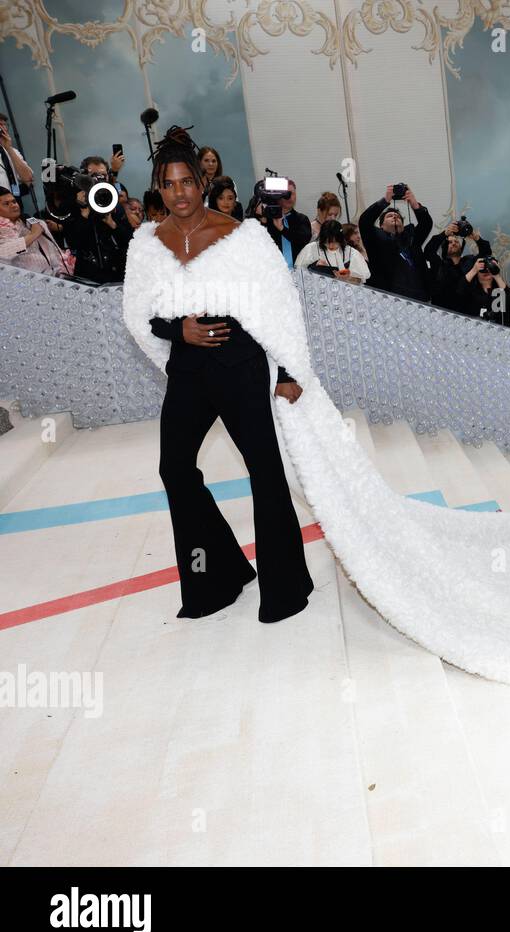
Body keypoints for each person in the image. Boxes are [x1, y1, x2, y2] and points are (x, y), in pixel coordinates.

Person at [129, 126, 312, 623]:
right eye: (168, 185)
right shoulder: (146, 244)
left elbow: (281, 304)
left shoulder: (243, 235)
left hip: (241, 363)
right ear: (158, 189)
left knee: (265, 471)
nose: (179, 193)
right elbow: (138, 313)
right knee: (174, 469)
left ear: (201, 182)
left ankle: (287, 586)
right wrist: (177, 330)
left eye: (187, 181)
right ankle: (217, 575)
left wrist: (290, 369)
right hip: (188, 368)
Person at [62, 154, 133, 283]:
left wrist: (112, 224)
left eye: (103, 176)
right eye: (94, 176)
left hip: (117, 273)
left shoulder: (113, 202)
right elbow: (72, 243)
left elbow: (130, 240)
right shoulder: (74, 204)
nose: (99, 180)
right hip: (89, 276)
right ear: (84, 178)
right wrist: (84, 213)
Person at [359, 185, 433, 301]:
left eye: (398, 216)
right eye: (389, 216)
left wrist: (414, 204)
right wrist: (385, 201)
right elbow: (364, 221)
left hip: (420, 298)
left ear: (403, 226)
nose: (394, 216)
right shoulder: (375, 239)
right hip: (389, 298)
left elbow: (426, 224)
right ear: (381, 225)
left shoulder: (412, 239)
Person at [0, 186, 71, 275]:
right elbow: (3, 254)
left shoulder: (28, 221)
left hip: (54, 273)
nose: (14, 205)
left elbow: (52, 249)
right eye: (6, 204)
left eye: (14, 201)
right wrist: (33, 235)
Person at [252, 177, 311, 266]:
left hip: (298, 271)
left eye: (293, 193)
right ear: (276, 196)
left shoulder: (302, 219)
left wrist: (282, 229)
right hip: (273, 272)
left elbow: (303, 240)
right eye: (286, 194)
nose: (290, 197)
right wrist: (262, 220)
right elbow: (256, 245)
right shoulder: (266, 219)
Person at [294, 218, 370, 284]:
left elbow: (361, 280)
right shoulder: (311, 249)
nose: (331, 246)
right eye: (327, 242)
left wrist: (348, 278)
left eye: (334, 242)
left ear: (340, 239)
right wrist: (313, 268)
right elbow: (298, 274)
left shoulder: (351, 253)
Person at [460, 253, 510, 324]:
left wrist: (496, 274)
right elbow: (458, 292)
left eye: (488, 267)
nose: (486, 270)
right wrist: (474, 270)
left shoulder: (500, 290)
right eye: (482, 268)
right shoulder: (471, 291)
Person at [0, 113, 35, 202]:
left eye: (5, 125)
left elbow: (28, 179)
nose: (4, 128)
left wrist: (9, 149)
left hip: (15, 202)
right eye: (0, 125)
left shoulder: (13, 152)